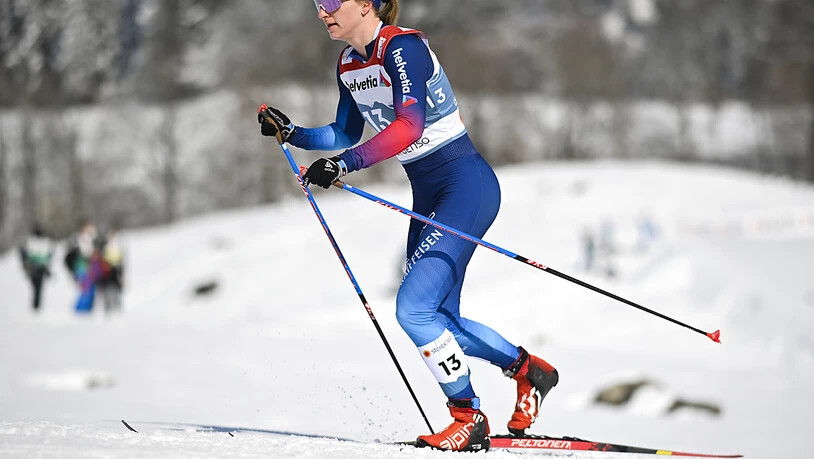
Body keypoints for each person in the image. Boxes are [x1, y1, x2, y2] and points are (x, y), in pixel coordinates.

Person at [258, 0, 558, 451]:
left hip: (466, 185)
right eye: (318, 3)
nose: (323, 12)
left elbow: (409, 126)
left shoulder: (403, 48)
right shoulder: (348, 63)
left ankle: (467, 417)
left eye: (333, 2)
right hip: (430, 194)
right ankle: (530, 371)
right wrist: (294, 133)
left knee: (413, 310)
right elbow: (344, 131)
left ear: (366, 4)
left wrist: (344, 165)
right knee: (439, 322)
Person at [18, 223, 55, 311]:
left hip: (37, 268)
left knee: (37, 288)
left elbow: (48, 255)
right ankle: (36, 306)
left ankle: (36, 306)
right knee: (37, 287)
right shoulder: (34, 242)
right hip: (35, 268)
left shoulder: (37, 242)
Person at [64, 218, 98, 313]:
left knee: (91, 290)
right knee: (85, 289)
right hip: (82, 267)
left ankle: (87, 309)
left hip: (91, 268)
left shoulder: (92, 239)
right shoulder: (78, 238)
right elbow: (74, 254)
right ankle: (80, 310)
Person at [95, 224, 126, 314]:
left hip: (115, 273)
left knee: (115, 292)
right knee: (107, 293)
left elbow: (121, 261)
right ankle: (108, 310)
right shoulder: (103, 245)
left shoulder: (119, 246)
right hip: (106, 274)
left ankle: (117, 310)